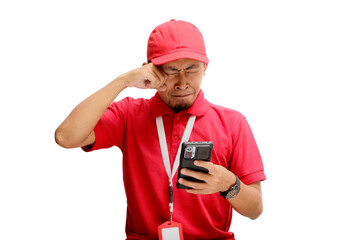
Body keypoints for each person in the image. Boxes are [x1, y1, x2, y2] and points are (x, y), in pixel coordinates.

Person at [55, 19, 266, 240]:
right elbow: (65, 136)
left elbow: (255, 209)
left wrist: (228, 184)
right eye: (172, 70)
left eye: (191, 68)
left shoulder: (233, 123)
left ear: (205, 67)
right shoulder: (129, 114)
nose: (182, 82)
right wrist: (124, 80)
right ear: (150, 70)